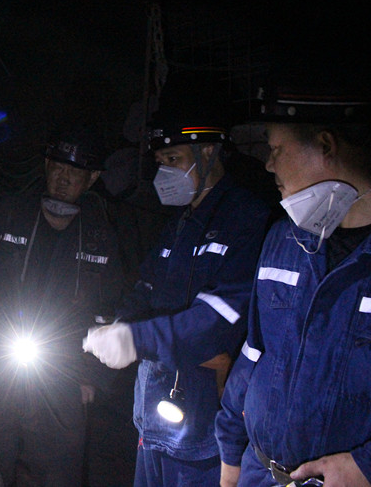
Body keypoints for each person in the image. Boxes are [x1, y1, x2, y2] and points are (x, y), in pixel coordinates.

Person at [215, 76, 371, 486]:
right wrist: (231, 453)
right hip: (260, 473)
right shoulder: (283, 240)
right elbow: (255, 351)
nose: (268, 165)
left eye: (276, 149)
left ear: (325, 145)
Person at [83, 122, 271, 486]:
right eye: (160, 161)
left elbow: (220, 318)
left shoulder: (246, 218)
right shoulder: (179, 223)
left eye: (173, 158)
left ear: (208, 153)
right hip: (152, 415)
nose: (165, 171)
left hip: (204, 425)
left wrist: (136, 340)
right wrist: (120, 325)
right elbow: (145, 286)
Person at [0, 127, 125, 486]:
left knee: (61, 473)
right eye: (57, 167)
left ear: (92, 178)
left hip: (62, 374)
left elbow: (110, 313)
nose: (63, 178)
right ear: (45, 166)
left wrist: (91, 376)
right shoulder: (8, 214)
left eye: (74, 171)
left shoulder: (100, 236)